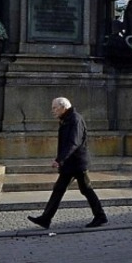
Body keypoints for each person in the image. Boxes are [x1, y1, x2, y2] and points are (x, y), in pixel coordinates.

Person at [28, 98, 107, 229]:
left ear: (63, 107)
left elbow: (73, 143)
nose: (53, 111)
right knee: (61, 189)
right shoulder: (68, 119)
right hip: (71, 163)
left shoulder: (75, 119)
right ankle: (46, 219)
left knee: (85, 189)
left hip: (76, 163)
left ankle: (100, 216)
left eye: (55, 108)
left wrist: (60, 159)